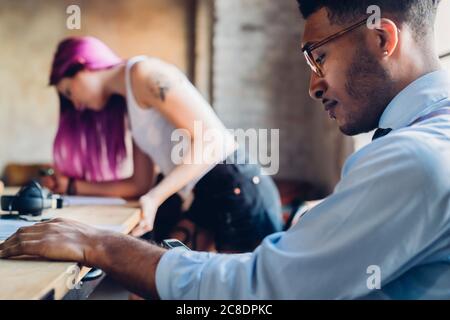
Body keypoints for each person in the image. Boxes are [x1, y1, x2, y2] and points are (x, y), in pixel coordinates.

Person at [1, 0, 449, 299]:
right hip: (209, 192)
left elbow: (212, 145)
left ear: (383, 39)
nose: (313, 86)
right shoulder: (418, 141)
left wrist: (105, 241)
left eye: (319, 57)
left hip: (234, 186)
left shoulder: (417, 159)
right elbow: (138, 183)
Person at [39, 37, 283, 252]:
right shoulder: (128, 104)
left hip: (237, 187)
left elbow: (211, 139)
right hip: (205, 196)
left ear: (82, 65)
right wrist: (71, 186)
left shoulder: (143, 74)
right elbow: (138, 184)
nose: (77, 105)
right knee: (150, 284)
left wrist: (155, 197)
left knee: (243, 298)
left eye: (69, 92)